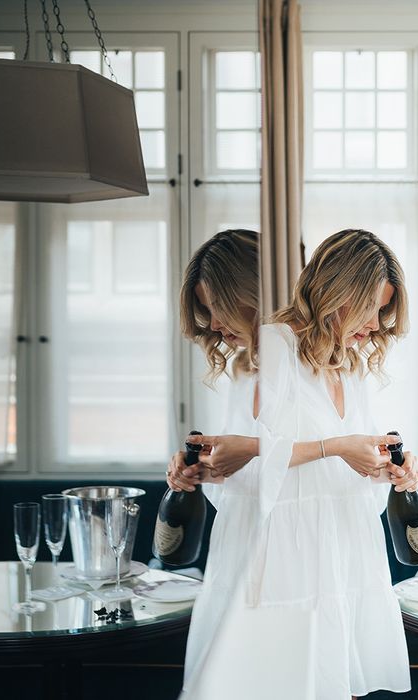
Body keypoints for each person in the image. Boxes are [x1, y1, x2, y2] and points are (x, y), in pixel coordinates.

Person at [185, 228, 418, 699]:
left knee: (341, 683)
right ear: (340, 293)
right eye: (372, 307)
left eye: (382, 311)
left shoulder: (350, 367)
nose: (376, 325)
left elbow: (352, 466)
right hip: (286, 554)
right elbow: (248, 472)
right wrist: (202, 468)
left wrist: (392, 470)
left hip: (344, 549)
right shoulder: (273, 350)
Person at [163, 229, 262, 691]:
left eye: (216, 307)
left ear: (251, 294)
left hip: (287, 548)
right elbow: (248, 464)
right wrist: (204, 468)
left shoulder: (318, 364)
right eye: (204, 310)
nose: (213, 324)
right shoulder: (244, 368)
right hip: (237, 542)